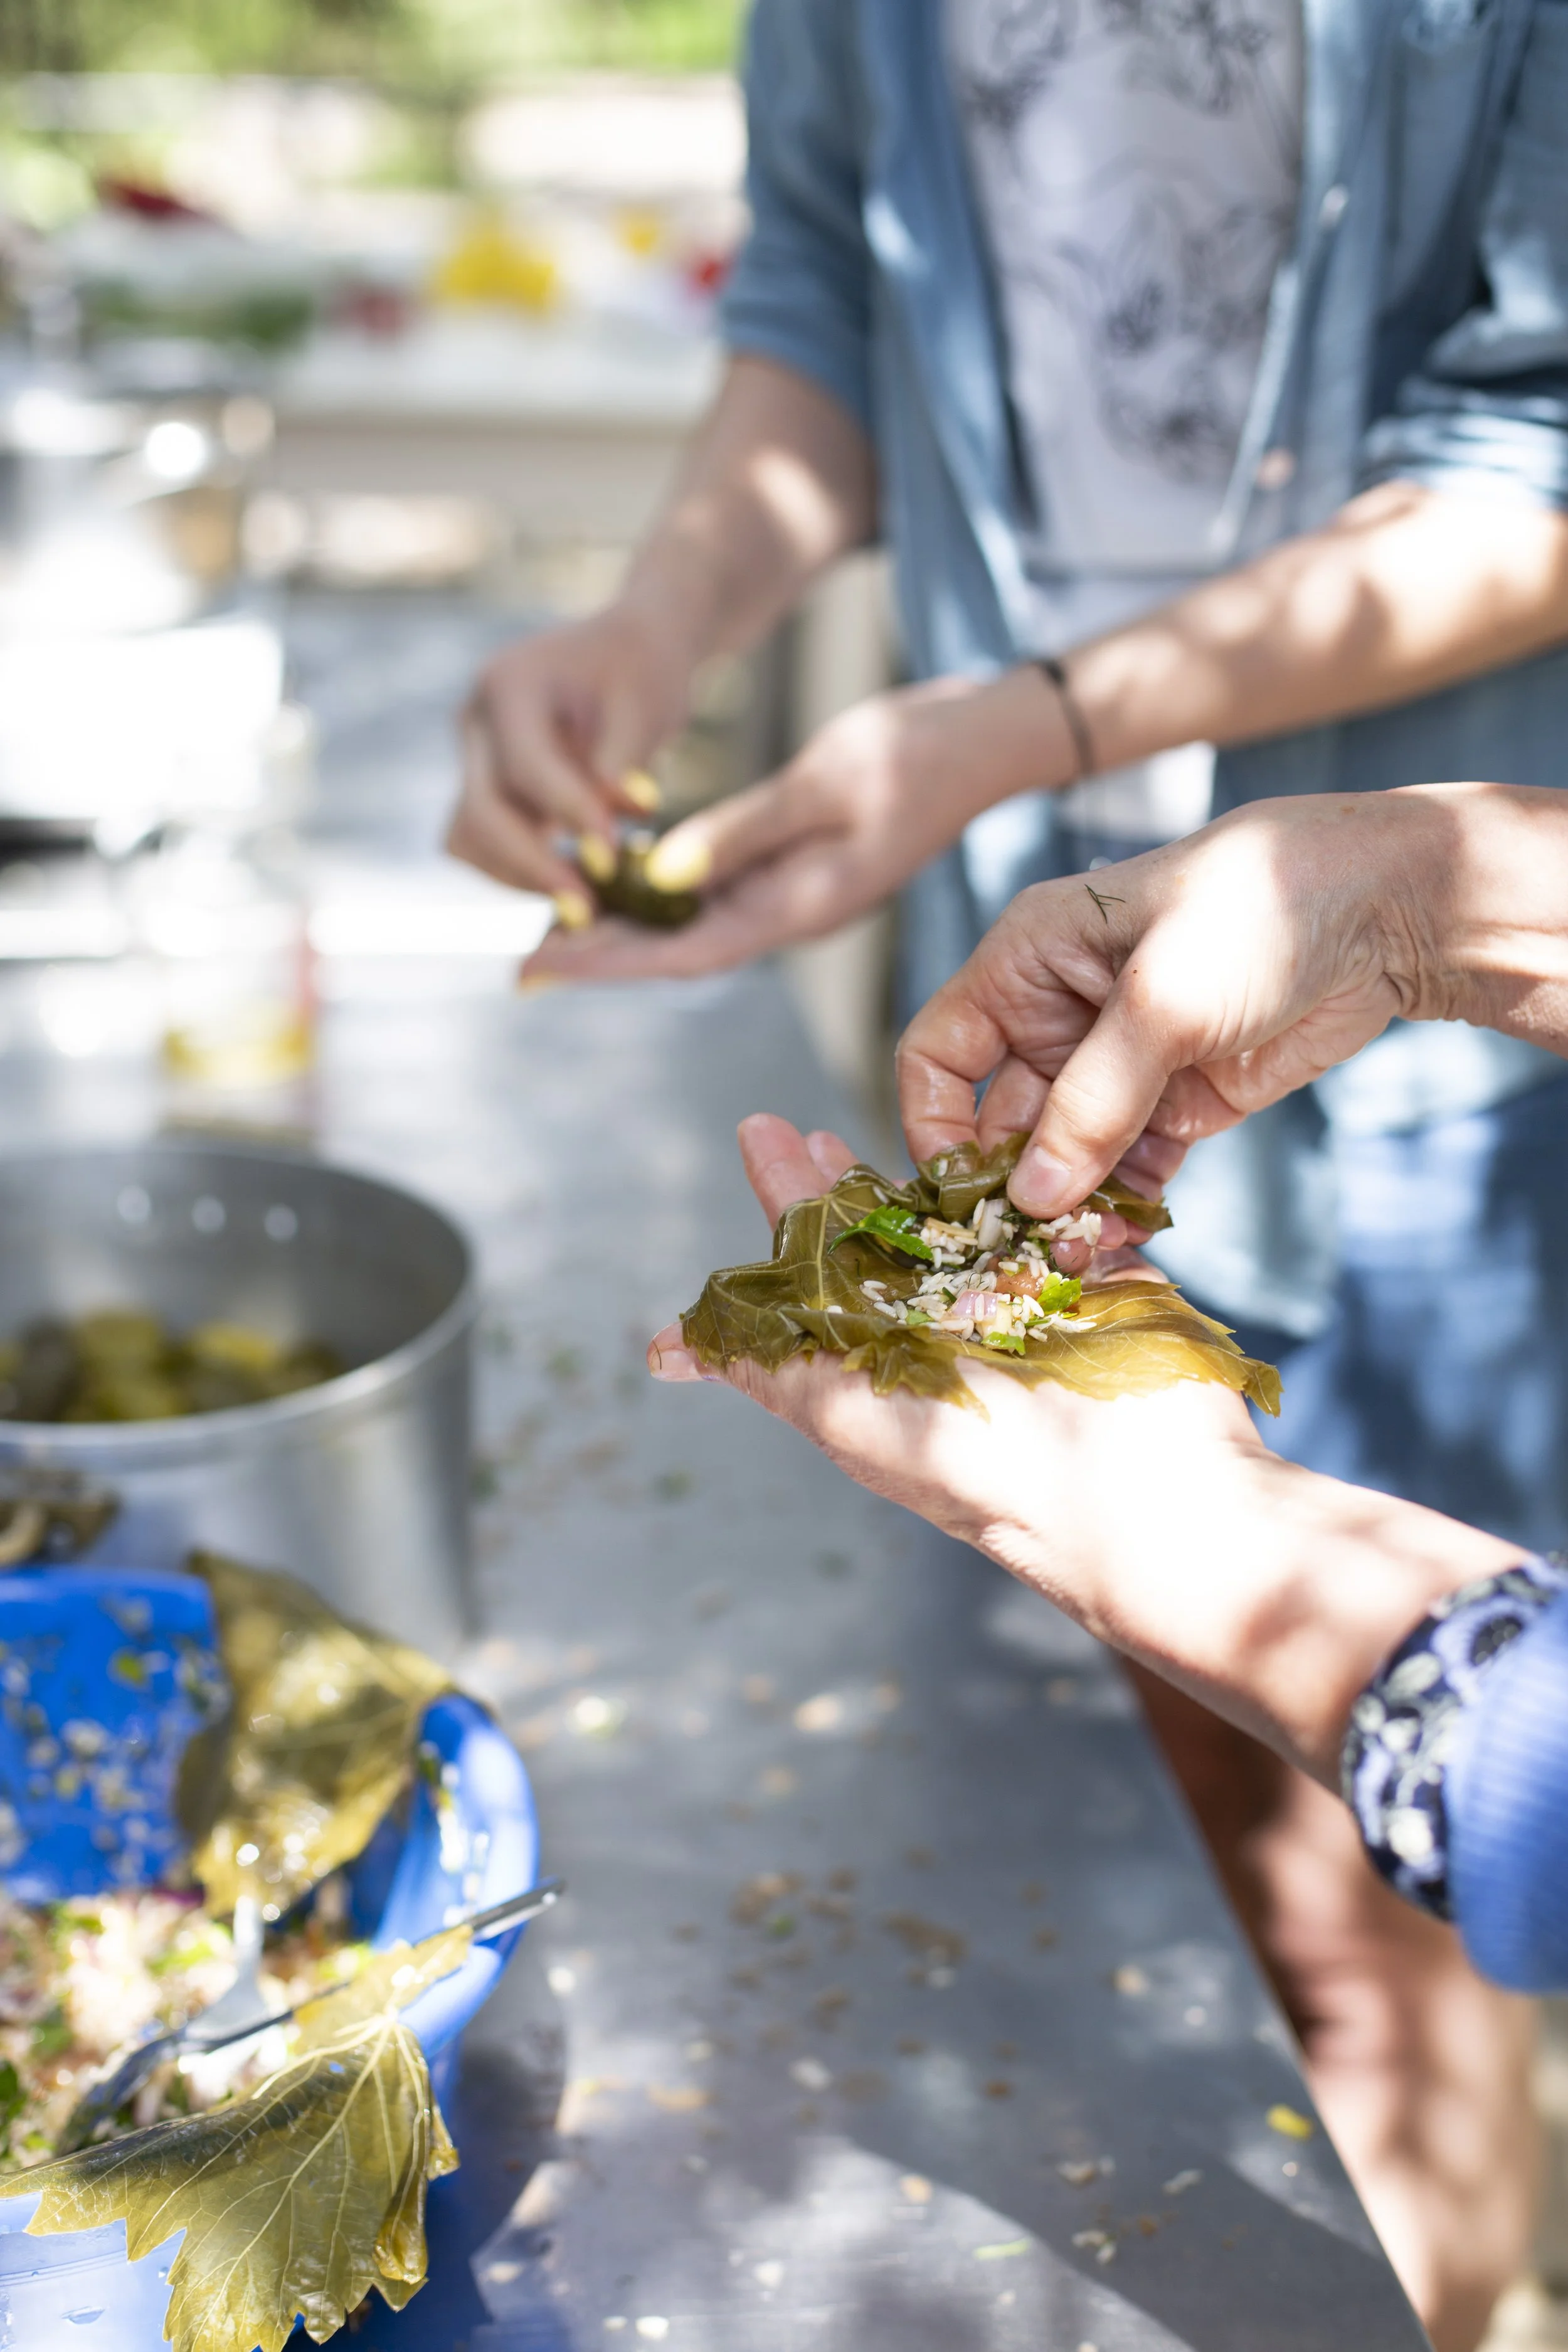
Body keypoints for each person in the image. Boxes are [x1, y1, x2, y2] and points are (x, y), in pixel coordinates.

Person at [450, 9, 1568, 2339]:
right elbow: (828, 301)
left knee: (1387, 1929)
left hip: (1444, 1044)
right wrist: (656, 630)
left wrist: (1024, 730)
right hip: (1071, 948)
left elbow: (1535, 443)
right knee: (1186, 1805)